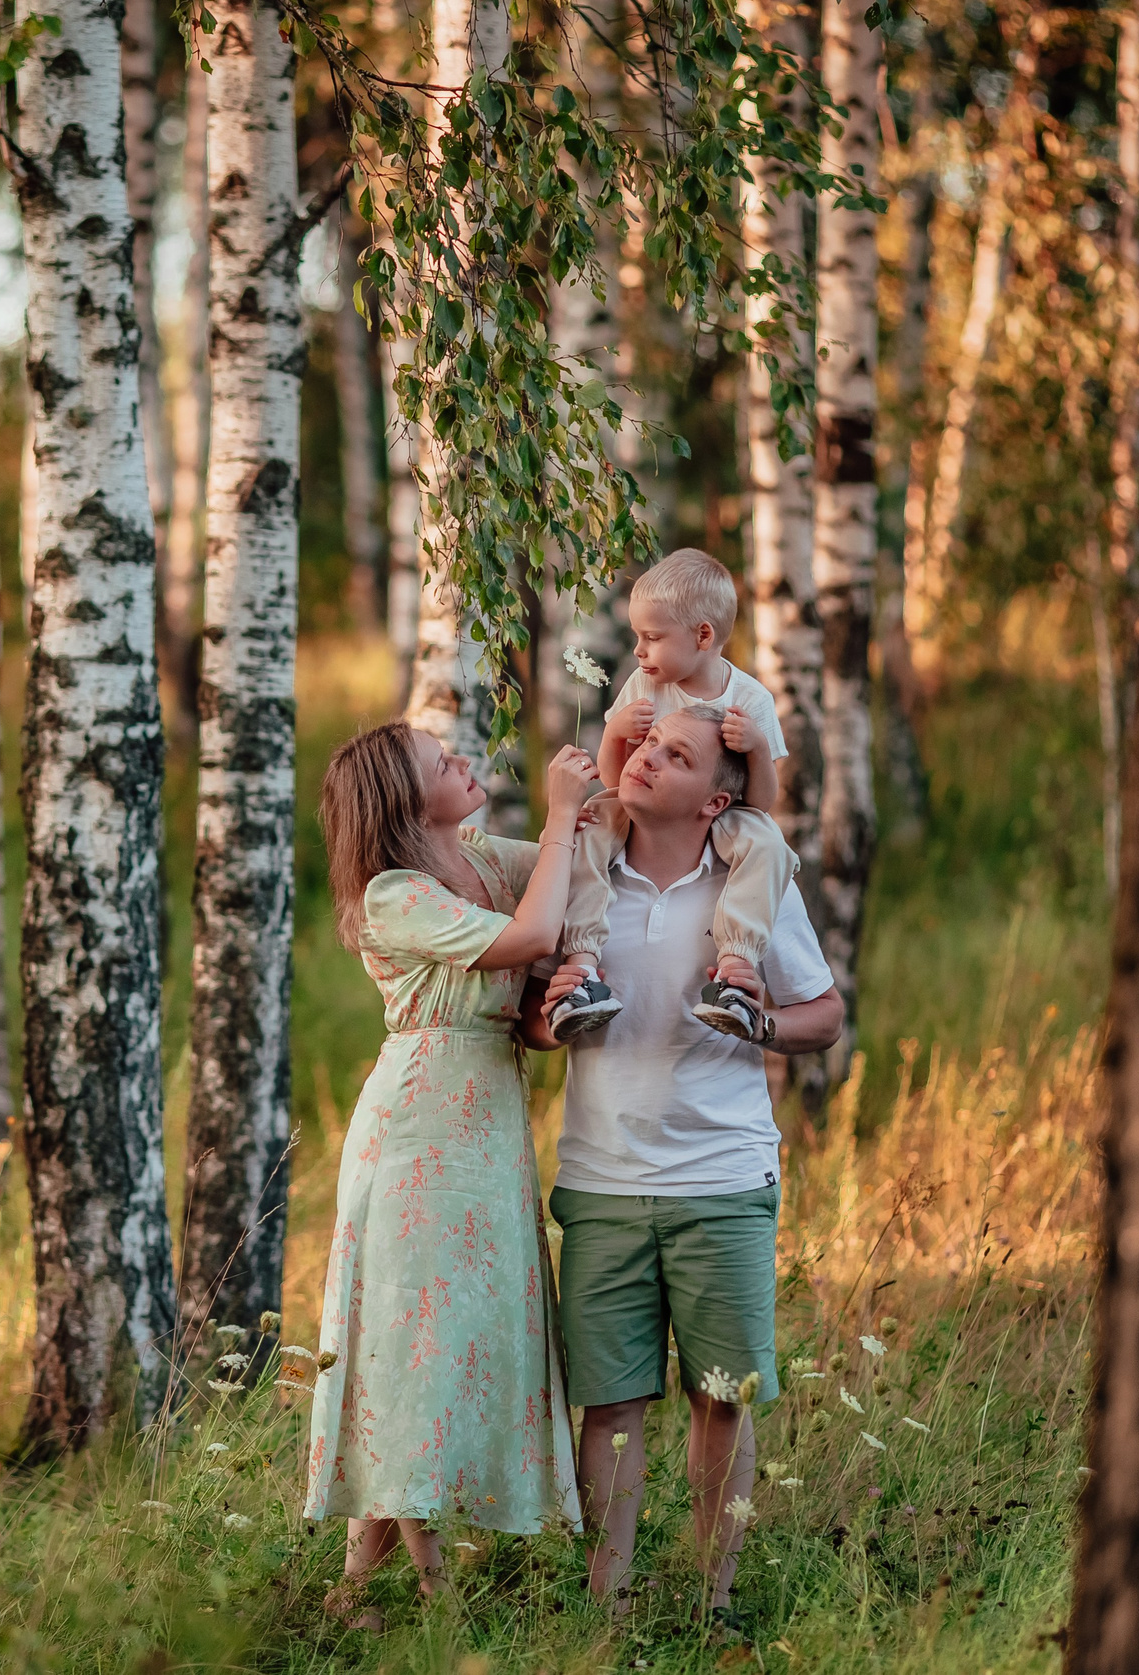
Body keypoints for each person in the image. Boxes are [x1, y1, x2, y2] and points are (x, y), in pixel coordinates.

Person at [521, 703, 844, 1628]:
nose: (647, 760)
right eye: (647, 744)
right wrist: (555, 1012)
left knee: (723, 1402)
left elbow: (825, 1015)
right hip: (601, 1180)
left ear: (717, 799)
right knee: (611, 1406)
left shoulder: (749, 886)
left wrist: (764, 1023)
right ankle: (606, 1606)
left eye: (677, 754)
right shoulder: (583, 877)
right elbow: (536, 1029)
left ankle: (712, 1600)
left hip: (723, 1180)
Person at [302, 721, 597, 1632]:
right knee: (414, 1350)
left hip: (490, 1131)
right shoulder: (396, 893)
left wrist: (635, 734)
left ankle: (347, 1594)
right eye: (444, 763)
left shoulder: (477, 858)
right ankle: (437, 1597)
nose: (465, 763)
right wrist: (556, 813)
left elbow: (583, 855)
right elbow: (532, 929)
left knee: (447, 1340)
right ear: (404, 801)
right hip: (418, 1138)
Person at [547, 549, 801, 1046]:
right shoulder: (644, 684)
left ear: (703, 636)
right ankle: (582, 971)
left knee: (768, 843)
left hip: (722, 816)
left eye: (652, 638)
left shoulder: (750, 700)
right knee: (590, 826)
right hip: (640, 807)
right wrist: (615, 734)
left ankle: (733, 966)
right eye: (638, 636)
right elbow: (616, 783)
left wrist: (757, 748)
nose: (639, 651)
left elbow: (761, 801)